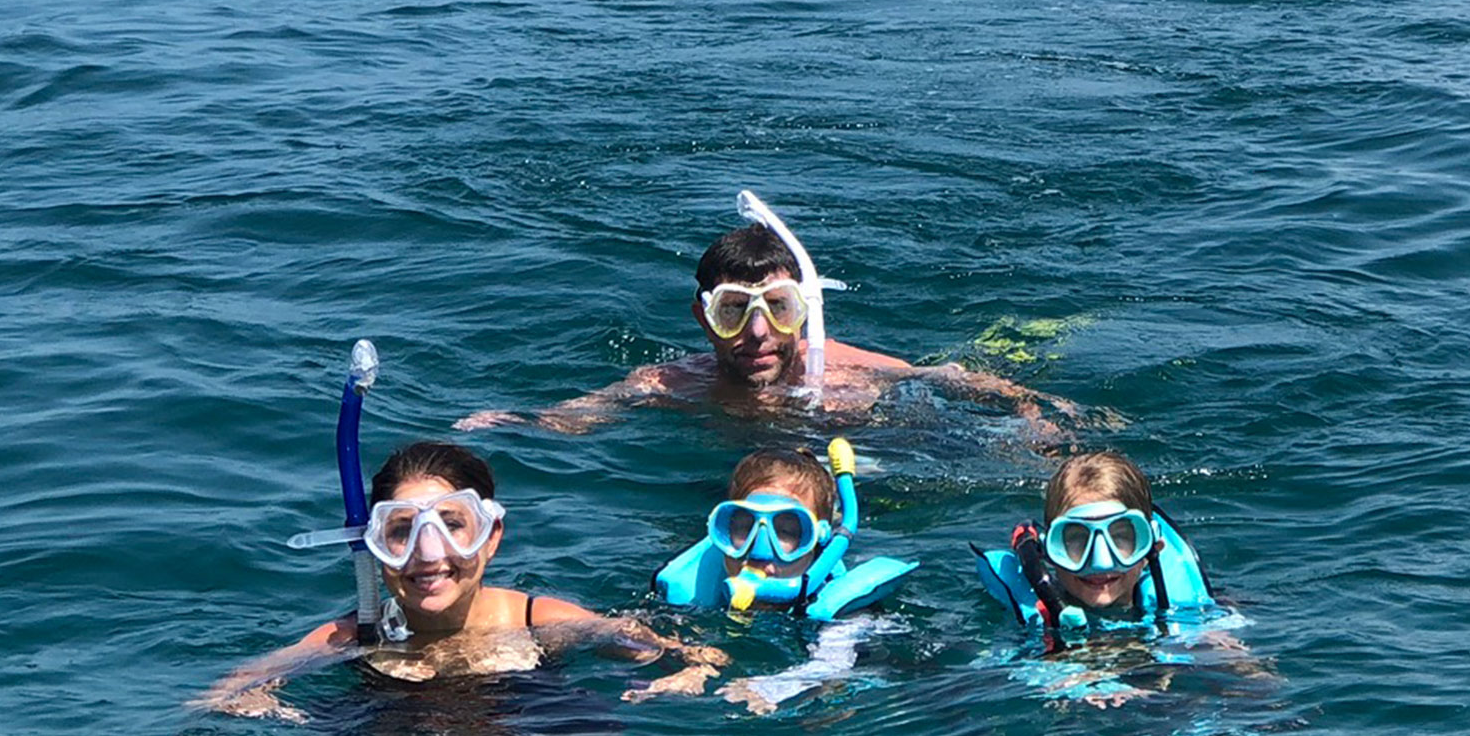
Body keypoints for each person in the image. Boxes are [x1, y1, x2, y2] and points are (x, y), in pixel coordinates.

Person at [199, 440, 725, 717]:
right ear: (373, 547)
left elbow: (675, 650)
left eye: (451, 526)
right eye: (401, 530)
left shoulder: (539, 621)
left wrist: (688, 670)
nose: (429, 555)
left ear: (491, 537)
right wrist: (251, 701)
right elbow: (224, 693)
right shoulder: (350, 637)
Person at [456, 205, 1081, 433]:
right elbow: (577, 417)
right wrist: (512, 423)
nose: (758, 333)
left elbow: (953, 377)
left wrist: (1036, 410)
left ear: (804, 314)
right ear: (704, 319)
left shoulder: (850, 372)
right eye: (734, 311)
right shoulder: (673, 384)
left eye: (778, 310)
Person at [973, 449, 1257, 705]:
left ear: (1152, 548)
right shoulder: (1033, 624)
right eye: (1076, 540)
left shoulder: (1192, 613)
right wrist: (1057, 672)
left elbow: (1257, 688)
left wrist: (1239, 665)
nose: (1101, 562)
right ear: (1049, 552)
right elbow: (989, 671)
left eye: (1121, 538)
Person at [651, 444, 917, 712]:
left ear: (818, 543)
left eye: (787, 532)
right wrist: (692, 663)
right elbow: (644, 633)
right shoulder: (697, 591)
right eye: (744, 526)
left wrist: (770, 688)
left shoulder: (846, 617)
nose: (760, 551)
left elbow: (831, 666)